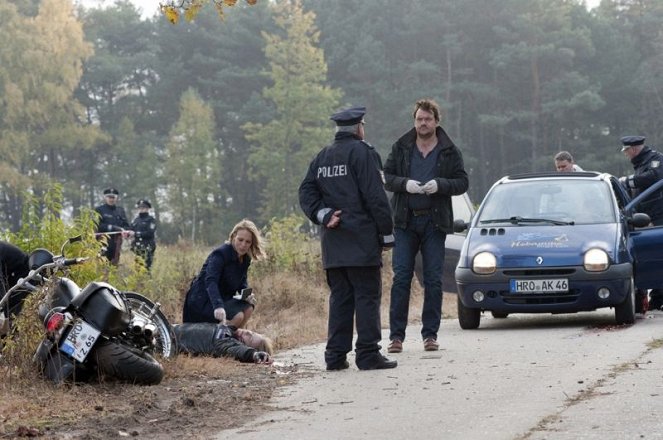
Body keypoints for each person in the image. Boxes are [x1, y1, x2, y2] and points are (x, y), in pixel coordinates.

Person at [299, 105, 397, 371]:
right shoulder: (364, 153)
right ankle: (367, 354)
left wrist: (324, 215)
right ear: (359, 128)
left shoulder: (322, 157)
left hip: (333, 245)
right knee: (366, 297)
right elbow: (376, 198)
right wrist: (387, 234)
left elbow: (306, 194)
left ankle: (335, 356)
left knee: (340, 299)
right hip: (361, 241)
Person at [384, 98, 469, 353]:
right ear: (414, 121)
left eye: (428, 119)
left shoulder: (449, 150)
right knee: (401, 278)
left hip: (435, 222)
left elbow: (462, 182)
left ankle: (430, 335)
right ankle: (396, 337)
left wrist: (441, 185)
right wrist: (404, 184)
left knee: (433, 279)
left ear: (436, 121)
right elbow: (386, 177)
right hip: (405, 221)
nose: (423, 123)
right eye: (419, 119)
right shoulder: (401, 148)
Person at [182, 219, 264, 328]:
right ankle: (221, 340)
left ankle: (231, 338)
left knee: (249, 307)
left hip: (224, 298)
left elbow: (241, 281)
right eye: (240, 240)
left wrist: (246, 294)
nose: (243, 245)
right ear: (234, 236)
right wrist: (218, 306)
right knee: (238, 316)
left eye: (248, 242)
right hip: (203, 300)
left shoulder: (245, 259)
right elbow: (210, 281)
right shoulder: (220, 254)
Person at [619, 135, 663, 310]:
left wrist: (627, 181)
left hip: (659, 215)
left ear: (634, 149)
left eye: (627, 151)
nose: (626, 155)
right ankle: (653, 298)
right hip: (646, 215)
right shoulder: (641, 164)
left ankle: (658, 298)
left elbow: (653, 177)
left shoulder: (656, 160)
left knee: (658, 256)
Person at [173, 322, 273, 364]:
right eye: (251, 332)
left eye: (249, 338)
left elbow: (238, 350)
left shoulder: (225, 342)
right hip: (171, 328)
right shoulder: (228, 330)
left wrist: (253, 354)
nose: (246, 332)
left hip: (170, 341)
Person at [95, 187, 133, 265]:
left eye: (113, 197)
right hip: (103, 241)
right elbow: (97, 226)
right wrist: (113, 228)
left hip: (116, 243)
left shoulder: (120, 210)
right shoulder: (99, 210)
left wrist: (126, 231)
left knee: (114, 264)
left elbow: (126, 225)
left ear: (116, 198)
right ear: (105, 197)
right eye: (109, 197)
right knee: (102, 264)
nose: (111, 199)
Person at [0, 241, 30, 325]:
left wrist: (1, 307)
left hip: (25, 275)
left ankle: (12, 334)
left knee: (8, 315)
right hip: (13, 276)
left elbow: (0, 282)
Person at [131, 199, 157, 271]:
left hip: (147, 247)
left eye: (143, 207)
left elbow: (150, 233)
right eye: (140, 207)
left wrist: (136, 234)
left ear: (147, 208)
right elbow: (131, 229)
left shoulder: (151, 220)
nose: (141, 209)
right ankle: (139, 282)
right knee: (138, 268)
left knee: (146, 268)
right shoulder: (136, 220)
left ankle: (147, 281)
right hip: (137, 247)